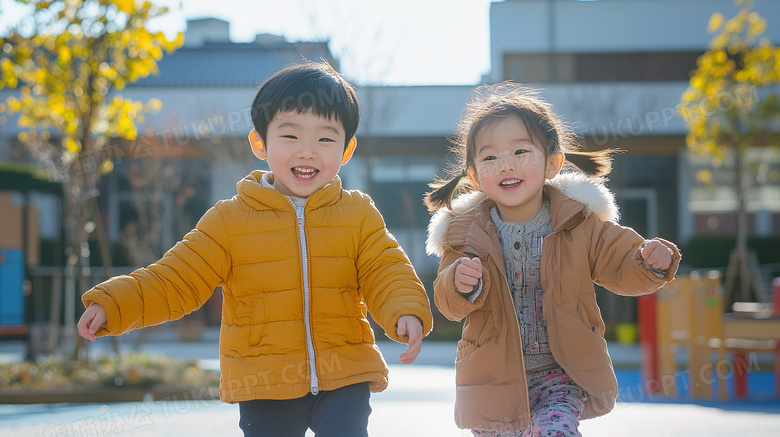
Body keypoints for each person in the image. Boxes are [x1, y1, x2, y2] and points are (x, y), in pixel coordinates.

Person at [78, 61, 433, 437]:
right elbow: (176, 278)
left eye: (326, 139)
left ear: (346, 150)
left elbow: (386, 268)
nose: (308, 152)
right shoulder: (230, 220)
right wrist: (114, 304)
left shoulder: (358, 213)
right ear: (260, 143)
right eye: (290, 136)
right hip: (264, 380)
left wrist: (405, 310)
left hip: (345, 372)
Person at [423, 83, 680, 436]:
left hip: (560, 374)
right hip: (492, 380)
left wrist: (649, 261)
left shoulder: (578, 222)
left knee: (556, 432)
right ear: (474, 175)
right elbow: (446, 301)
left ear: (552, 163)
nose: (506, 164)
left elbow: (619, 260)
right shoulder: (464, 232)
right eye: (490, 157)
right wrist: (458, 283)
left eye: (520, 151)